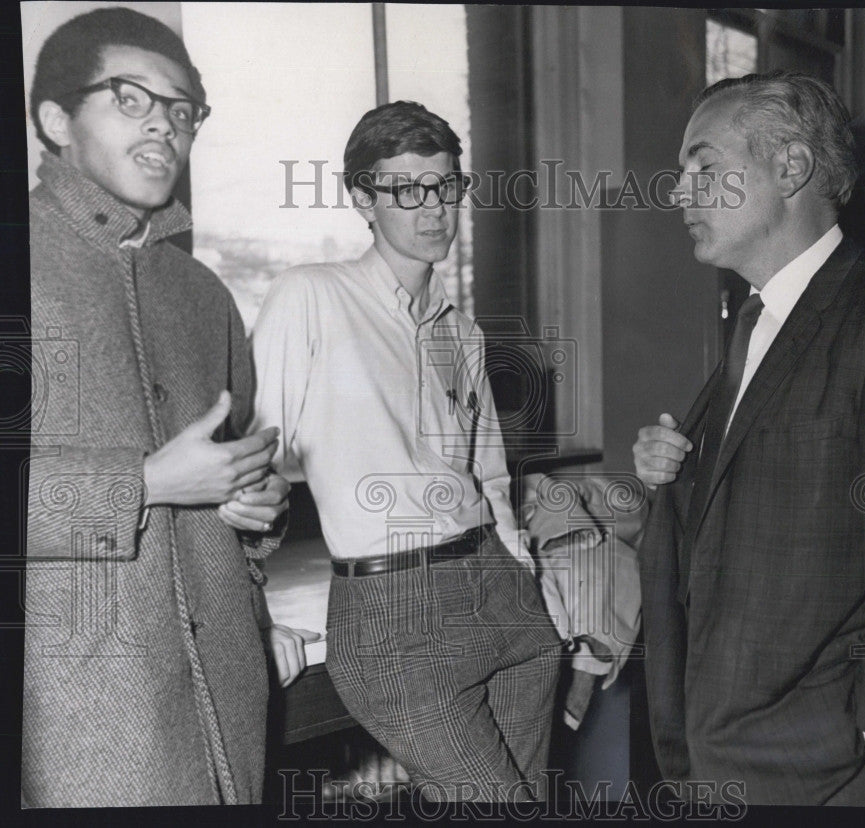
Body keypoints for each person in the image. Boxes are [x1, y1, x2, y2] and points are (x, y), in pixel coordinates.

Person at [632, 71, 865, 806]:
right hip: (721, 763)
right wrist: (672, 482)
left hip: (828, 777)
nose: (679, 192)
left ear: (791, 167)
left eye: (704, 167)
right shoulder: (751, 329)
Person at [24, 7, 314, 807]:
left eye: (182, 110)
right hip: (74, 726)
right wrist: (145, 483)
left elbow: (235, 492)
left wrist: (259, 505)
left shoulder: (205, 295)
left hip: (228, 702)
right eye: (131, 98)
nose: (165, 124)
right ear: (55, 120)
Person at [251, 100, 561, 802]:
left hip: (503, 597)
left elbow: (487, 472)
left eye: (446, 187)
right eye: (406, 190)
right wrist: (254, 615)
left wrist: (522, 570)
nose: (434, 209)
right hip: (395, 616)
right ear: (362, 198)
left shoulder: (463, 333)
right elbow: (251, 465)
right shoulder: (312, 299)